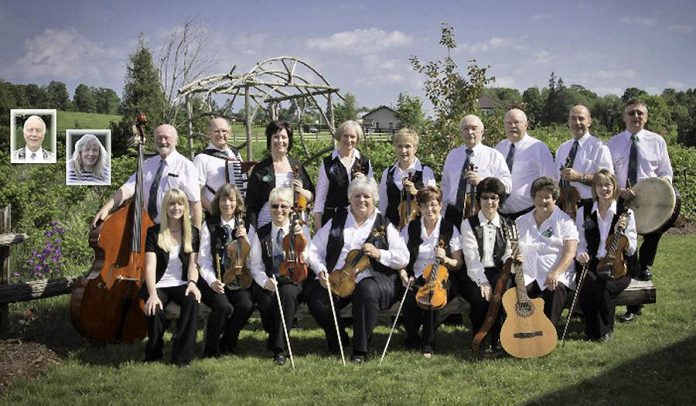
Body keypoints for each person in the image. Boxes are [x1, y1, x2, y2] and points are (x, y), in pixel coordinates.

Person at [306, 176, 408, 363]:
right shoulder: (337, 220)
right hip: (338, 275)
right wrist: (321, 270)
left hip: (372, 277)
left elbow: (403, 256)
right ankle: (337, 336)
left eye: (366, 196)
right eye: (357, 196)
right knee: (317, 299)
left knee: (366, 292)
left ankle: (360, 350)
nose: (362, 200)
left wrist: (379, 254)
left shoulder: (383, 223)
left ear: (374, 199)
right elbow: (312, 250)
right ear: (350, 198)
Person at [607, 98, 673, 322]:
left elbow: (666, 173)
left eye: (640, 113)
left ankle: (645, 265)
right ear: (624, 117)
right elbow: (607, 176)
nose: (636, 117)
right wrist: (618, 191)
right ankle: (633, 306)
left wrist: (654, 189)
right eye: (631, 113)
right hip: (623, 202)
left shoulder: (657, 141)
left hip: (650, 204)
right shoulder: (613, 143)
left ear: (646, 117)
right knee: (627, 251)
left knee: (655, 233)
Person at [92, 124, 202, 229]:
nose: (163, 141)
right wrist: (107, 208)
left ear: (175, 140)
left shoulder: (186, 166)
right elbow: (128, 188)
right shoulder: (148, 164)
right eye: (159, 138)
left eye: (166, 138)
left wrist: (197, 236)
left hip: (175, 229)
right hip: (148, 227)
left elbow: (195, 202)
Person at [398, 186, 463, 358]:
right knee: (409, 299)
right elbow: (399, 258)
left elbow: (458, 263)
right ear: (418, 208)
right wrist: (403, 274)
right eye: (425, 205)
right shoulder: (410, 228)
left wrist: (446, 259)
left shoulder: (450, 228)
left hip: (442, 276)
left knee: (434, 298)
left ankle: (428, 342)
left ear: (440, 205)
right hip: (416, 274)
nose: (430, 209)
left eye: (434, 204)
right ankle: (412, 335)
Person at [248, 187, 311, 365]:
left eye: (284, 206)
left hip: (293, 277)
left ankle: (279, 349)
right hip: (270, 279)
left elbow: (309, 256)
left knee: (288, 294)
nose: (279, 210)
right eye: (275, 206)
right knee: (267, 301)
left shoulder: (299, 230)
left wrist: (302, 244)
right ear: (270, 208)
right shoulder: (262, 233)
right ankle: (275, 334)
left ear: (291, 208)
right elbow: (255, 265)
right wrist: (264, 281)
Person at [142, 188, 201, 367]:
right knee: (154, 309)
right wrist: (152, 294)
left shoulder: (193, 233)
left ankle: (182, 356)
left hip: (181, 283)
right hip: (158, 284)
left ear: (185, 207)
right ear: (165, 207)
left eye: (180, 203)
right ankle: (154, 353)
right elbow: (150, 267)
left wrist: (192, 283)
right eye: (172, 203)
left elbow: (193, 265)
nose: (176, 207)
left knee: (192, 300)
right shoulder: (153, 233)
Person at [575, 169, 636, 341]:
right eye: (600, 185)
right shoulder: (584, 210)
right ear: (594, 188)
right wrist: (581, 254)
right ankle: (593, 329)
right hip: (594, 262)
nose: (604, 189)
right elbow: (580, 240)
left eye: (608, 184)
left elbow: (631, 250)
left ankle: (603, 331)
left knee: (603, 287)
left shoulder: (626, 213)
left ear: (614, 187)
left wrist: (621, 234)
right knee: (588, 284)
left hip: (620, 268)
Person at [196, 183, 254, 357]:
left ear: (237, 203)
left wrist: (245, 240)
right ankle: (211, 350)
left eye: (231, 199)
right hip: (214, 279)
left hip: (237, 278)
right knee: (223, 306)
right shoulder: (209, 225)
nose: (227, 203)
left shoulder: (246, 226)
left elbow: (252, 260)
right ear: (218, 202)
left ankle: (228, 342)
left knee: (246, 304)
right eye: (223, 199)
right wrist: (212, 281)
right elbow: (203, 260)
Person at [459, 177, 515, 351]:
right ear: (479, 200)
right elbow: (471, 257)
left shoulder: (509, 223)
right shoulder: (468, 224)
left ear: (499, 200)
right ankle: (480, 339)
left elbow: (508, 254)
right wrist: (482, 282)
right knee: (480, 297)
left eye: (494, 198)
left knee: (504, 295)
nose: (489, 202)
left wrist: (503, 275)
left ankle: (501, 340)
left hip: (500, 271)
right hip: (475, 271)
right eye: (485, 198)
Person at [516, 177, 578, 327]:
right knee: (513, 292)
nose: (543, 201)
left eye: (547, 197)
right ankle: (519, 331)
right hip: (528, 274)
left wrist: (556, 272)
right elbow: (511, 248)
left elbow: (570, 253)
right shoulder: (520, 221)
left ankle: (547, 333)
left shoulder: (565, 221)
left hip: (557, 274)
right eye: (539, 197)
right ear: (533, 198)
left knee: (554, 290)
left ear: (555, 199)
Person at [442, 114, 511, 226]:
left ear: (482, 131)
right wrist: (442, 212)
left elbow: (507, 186)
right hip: (453, 213)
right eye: (466, 128)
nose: (470, 132)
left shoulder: (494, 155)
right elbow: (445, 186)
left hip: (481, 212)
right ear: (461, 132)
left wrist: (482, 183)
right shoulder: (452, 155)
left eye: (474, 128)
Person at [245, 120, 314, 229]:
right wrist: (252, 231)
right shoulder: (260, 169)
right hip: (267, 225)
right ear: (270, 140)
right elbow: (251, 204)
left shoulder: (297, 166)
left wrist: (301, 191)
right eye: (276, 137)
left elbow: (312, 196)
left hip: (296, 225)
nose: (280, 141)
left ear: (289, 140)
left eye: (283, 137)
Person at [495, 109, 556, 219]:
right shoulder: (499, 148)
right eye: (508, 123)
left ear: (526, 125)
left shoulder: (538, 148)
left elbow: (550, 182)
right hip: (499, 214)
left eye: (516, 122)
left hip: (528, 214)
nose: (512, 126)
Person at [312, 120, 373, 227]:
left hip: (358, 219)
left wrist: (365, 181)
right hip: (333, 219)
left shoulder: (364, 162)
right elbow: (320, 196)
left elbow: (372, 194)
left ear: (357, 139)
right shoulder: (328, 162)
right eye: (345, 136)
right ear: (339, 137)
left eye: (352, 137)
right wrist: (318, 226)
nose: (349, 140)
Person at [555, 105, 613, 207]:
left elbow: (608, 180)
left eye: (581, 119)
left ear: (589, 122)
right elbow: (555, 178)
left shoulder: (599, 147)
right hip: (564, 205)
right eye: (573, 118)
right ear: (568, 121)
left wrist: (579, 177)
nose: (577, 123)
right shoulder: (562, 148)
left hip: (590, 205)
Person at [378, 128, 436, 228]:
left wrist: (417, 192)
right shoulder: (387, 173)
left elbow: (434, 201)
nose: (403, 150)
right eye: (400, 146)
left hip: (418, 229)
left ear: (415, 148)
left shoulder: (426, 171)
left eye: (407, 146)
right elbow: (383, 204)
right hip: (392, 229)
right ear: (395, 148)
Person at [193, 117, 246, 213]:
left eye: (224, 131)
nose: (221, 135)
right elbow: (196, 192)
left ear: (230, 133)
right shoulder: (201, 158)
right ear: (209, 134)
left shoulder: (236, 154)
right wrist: (213, 211)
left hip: (237, 213)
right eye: (216, 131)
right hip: (216, 215)